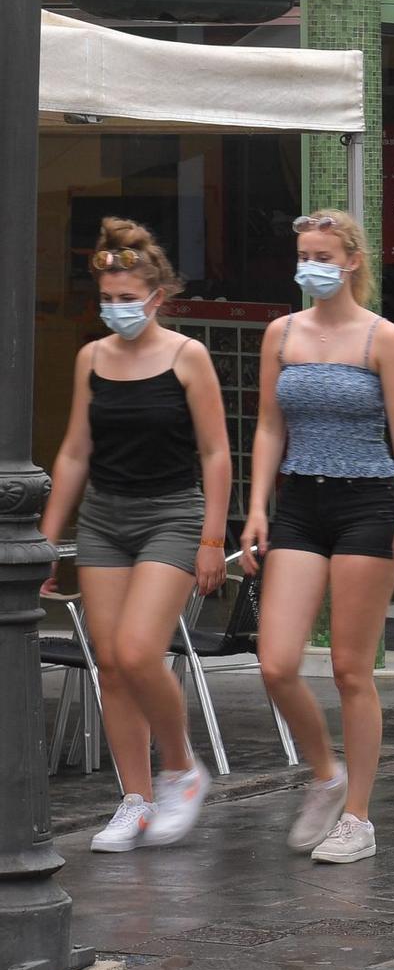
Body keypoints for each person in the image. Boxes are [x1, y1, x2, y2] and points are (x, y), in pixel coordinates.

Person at [240, 209, 394, 864]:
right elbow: (268, 425)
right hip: (299, 500)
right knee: (276, 661)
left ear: (350, 261)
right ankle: (325, 772)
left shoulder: (384, 338)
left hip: (366, 503)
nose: (309, 265)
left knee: (351, 668)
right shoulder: (281, 334)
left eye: (322, 254)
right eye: (303, 254)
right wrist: (256, 506)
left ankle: (359, 818)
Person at [39, 219, 230, 852]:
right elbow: (74, 452)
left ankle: (181, 769)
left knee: (139, 650)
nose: (116, 308)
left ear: (157, 295)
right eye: (107, 297)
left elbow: (215, 453)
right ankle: (135, 798)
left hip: (171, 515)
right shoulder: (91, 359)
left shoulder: (186, 356)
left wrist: (211, 539)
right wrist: (44, 540)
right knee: (110, 663)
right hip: (104, 518)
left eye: (128, 297)